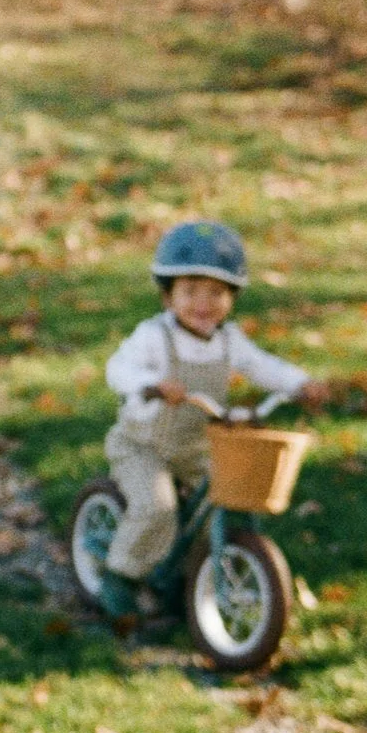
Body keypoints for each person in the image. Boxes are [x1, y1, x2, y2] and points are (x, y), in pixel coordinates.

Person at [96, 221, 312, 617]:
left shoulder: (229, 340)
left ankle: (190, 576)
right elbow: (118, 369)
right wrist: (153, 384)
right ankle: (119, 575)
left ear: (232, 298)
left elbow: (263, 366)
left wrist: (302, 384)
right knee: (157, 507)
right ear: (167, 296)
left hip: (195, 448)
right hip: (142, 445)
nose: (203, 303)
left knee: (223, 501)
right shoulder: (154, 336)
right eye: (191, 291)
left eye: (216, 292)